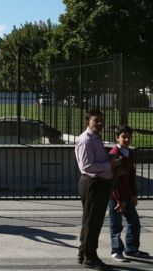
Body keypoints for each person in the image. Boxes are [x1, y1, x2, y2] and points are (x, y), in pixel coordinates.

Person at [75, 109, 118, 270]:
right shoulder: (86, 140)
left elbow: (96, 160)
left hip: (98, 183)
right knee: (92, 222)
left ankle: (83, 252)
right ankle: (90, 257)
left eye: (102, 120)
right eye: (96, 120)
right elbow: (87, 166)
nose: (100, 123)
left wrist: (108, 158)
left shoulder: (95, 138)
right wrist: (110, 164)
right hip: (93, 183)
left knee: (90, 221)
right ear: (88, 122)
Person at [107, 125, 149, 262]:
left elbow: (131, 176)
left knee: (134, 223)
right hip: (116, 197)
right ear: (117, 138)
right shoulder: (114, 154)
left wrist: (134, 194)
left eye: (129, 137)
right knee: (116, 225)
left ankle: (131, 249)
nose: (126, 139)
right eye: (123, 137)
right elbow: (114, 180)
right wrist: (119, 199)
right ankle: (116, 250)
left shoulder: (129, 153)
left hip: (127, 195)